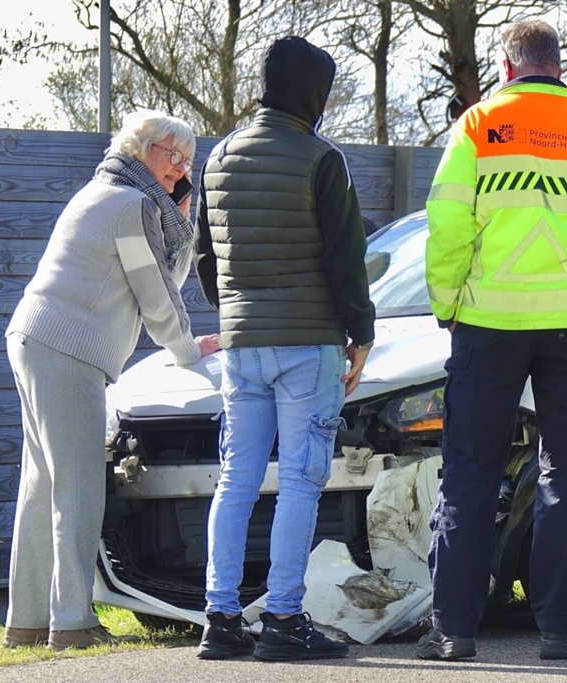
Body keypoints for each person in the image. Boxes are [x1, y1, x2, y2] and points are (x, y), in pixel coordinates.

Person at [420, 20, 567, 661]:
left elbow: (446, 228)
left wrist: (447, 304)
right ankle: (557, 632)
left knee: (470, 474)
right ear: (559, 64)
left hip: (487, 325)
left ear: (504, 65)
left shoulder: (475, 126)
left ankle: (455, 632)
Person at [2, 111, 220, 651]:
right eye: (176, 157)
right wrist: (190, 350)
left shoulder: (106, 192)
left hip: (35, 338)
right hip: (68, 349)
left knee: (42, 487)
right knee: (77, 488)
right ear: (145, 149)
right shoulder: (132, 206)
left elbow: (156, 277)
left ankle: (26, 622)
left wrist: (182, 223)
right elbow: (157, 298)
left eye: (188, 161)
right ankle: (72, 622)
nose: (182, 168)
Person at [194, 36, 376, 662]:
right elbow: (345, 259)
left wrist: (239, 312)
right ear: (314, 93)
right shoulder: (321, 158)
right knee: (300, 481)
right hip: (309, 343)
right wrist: (363, 334)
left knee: (236, 479)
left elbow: (205, 259)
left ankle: (219, 620)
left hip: (242, 345)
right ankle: (283, 619)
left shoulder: (217, 158)